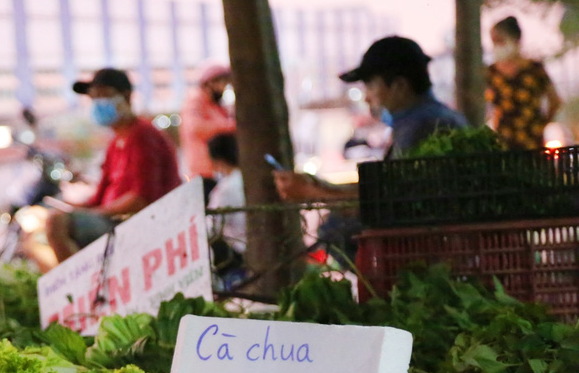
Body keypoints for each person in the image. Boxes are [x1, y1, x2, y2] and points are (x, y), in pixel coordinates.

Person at [273, 36, 467, 267]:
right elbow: (384, 188)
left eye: (371, 86)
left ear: (400, 86)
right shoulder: (429, 119)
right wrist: (321, 186)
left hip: (431, 252)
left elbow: (389, 202)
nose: (366, 97)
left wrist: (313, 194)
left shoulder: (422, 126)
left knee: (335, 229)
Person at [46, 68, 181, 264]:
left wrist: (94, 213)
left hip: (140, 224)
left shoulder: (143, 136)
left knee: (56, 223)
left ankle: (79, 289)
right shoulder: (115, 142)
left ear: (125, 96)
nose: (97, 103)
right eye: (94, 98)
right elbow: (100, 196)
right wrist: (77, 207)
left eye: (104, 95)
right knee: (53, 214)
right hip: (114, 220)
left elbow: (141, 199)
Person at [486, 16, 562, 150]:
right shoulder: (492, 72)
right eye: (494, 42)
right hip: (503, 144)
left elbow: (555, 101)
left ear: (515, 40)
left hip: (531, 144)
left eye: (500, 41)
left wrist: (541, 126)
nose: (497, 46)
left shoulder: (534, 70)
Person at [179, 60, 236, 193]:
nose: (224, 87)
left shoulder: (217, 106)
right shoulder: (195, 101)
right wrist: (229, 126)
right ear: (209, 82)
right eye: (221, 82)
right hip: (204, 172)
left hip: (220, 170)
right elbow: (196, 127)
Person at [206, 133, 246, 256]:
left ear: (217, 160)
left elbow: (210, 227)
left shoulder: (225, 189)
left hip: (239, 252)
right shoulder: (248, 179)